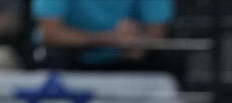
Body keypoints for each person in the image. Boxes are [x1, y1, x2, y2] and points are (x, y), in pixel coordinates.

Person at [32, 0, 173, 70]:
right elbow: (50, 34)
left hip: (126, 60)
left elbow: (156, 34)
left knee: (164, 58)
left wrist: (137, 40)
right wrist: (112, 39)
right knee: (51, 55)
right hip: (68, 58)